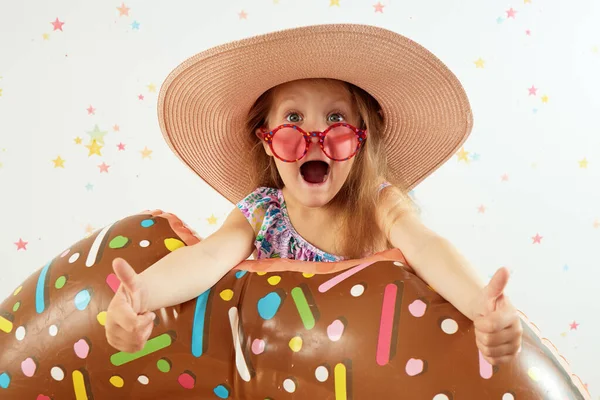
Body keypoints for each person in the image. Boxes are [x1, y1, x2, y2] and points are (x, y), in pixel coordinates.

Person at [105, 24, 522, 367]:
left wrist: (481, 307)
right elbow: (206, 257)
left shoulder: (378, 205)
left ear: (362, 138)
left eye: (336, 118)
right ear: (267, 141)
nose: (314, 138)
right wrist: (141, 296)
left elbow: (428, 248)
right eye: (293, 118)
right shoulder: (261, 213)